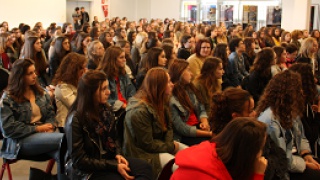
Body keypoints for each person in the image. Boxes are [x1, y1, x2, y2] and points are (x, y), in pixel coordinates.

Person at [65, 70, 153, 180]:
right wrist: (114, 166)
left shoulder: (105, 110)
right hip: (87, 171)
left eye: (107, 87)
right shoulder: (76, 119)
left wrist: (118, 154)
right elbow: (80, 161)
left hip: (108, 159)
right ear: (90, 92)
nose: (109, 92)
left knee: (145, 168)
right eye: (103, 89)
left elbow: (115, 139)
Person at [0, 59, 66, 179]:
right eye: (30, 73)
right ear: (20, 76)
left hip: (44, 136)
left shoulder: (40, 92)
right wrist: (38, 128)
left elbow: (51, 114)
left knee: (64, 154)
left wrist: (50, 126)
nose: (34, 75)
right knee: (67, 140)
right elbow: (8, 129)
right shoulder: (8, 98)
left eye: (34, 72)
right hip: (19, 142)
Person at [123, 68, 187, 177]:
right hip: (142, 153)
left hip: (160, 143)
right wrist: (170, 147)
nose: (172, 84)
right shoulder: (139, 111)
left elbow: (169, 127)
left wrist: (169, 145)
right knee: (180, 168)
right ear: (159, 86)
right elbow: (147, 144)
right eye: (169, 82)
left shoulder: (161, 99)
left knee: (191, 155)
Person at [257, 70, 320, 179]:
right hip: (284, 169)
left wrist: (306, 154)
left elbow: (302, 136)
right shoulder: (271, 121)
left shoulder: (290, 110)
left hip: (296, 158)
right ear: (288, 93)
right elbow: (282, 159)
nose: (301, 92)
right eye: (298, 89)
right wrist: (305, 164)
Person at [171, 117, 268, 180]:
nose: (261, 154)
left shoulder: (213, 153)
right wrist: (257, 175)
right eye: (260, 149)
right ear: (246, 153)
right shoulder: (207, 175)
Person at [169, 60, 211, 146]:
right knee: (210, 143)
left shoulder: (190, 88)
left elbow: (201, 108)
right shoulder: (171, 97)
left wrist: (204, 122)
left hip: (198, 125)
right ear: (180, 73)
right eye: (188, 70)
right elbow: (181, 128)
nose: (191, 74)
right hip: (184, 135)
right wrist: (209, 134)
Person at [51, 52, 87, 127]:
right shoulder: (62, 87)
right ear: (73, 71)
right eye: (82, 68)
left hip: (78, 123)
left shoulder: (78, 84)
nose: (85, 71)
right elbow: (78, 106)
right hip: (67, 126)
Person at [97, 46, 136, 112]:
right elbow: (105, 100)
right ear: (112, 60)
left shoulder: (123, 73)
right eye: (121, 57)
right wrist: (122, 105)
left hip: (127, 107)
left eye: (124, 57)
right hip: (114, 110)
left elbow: (131, 91)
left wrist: (130, 103)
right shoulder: (102, 76)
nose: (125, 60)